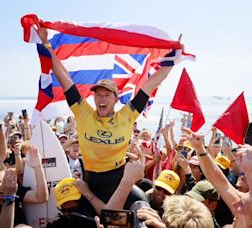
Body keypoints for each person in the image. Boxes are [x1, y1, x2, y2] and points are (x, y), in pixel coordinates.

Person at [37, 27, 179, 207]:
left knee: (143, 206)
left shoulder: (127, 115)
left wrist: (172, 61)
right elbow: (62, 76)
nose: (101, 99)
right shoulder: (83, 112)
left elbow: (151, 84)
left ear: (115, 98)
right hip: (91, 181)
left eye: (106, 95)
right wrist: (46, 44)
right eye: (98, 95)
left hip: (118, 181)